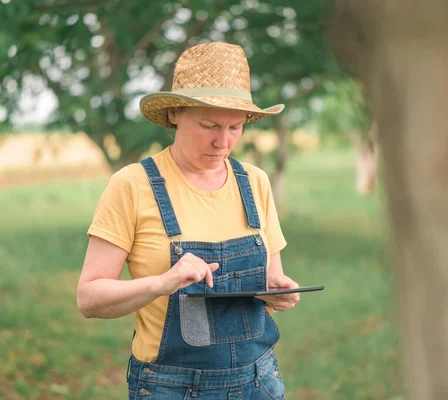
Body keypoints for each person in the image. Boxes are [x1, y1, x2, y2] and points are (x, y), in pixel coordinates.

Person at [77, 42, 300, 400]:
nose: (223, 142)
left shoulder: (254, 182)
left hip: (259, 381)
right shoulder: (132, 185)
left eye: (235, 127)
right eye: (209, 125)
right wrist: (164, 282)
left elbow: (271, 277)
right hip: (171, 388)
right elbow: (89, 298)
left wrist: (277, 291)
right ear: (175, 114)